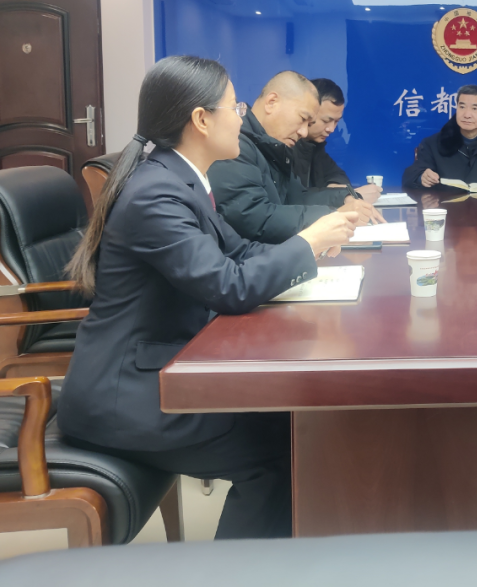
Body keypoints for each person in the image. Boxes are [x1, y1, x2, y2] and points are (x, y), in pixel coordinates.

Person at [58, 56, 359, 538]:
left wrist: (315, 255)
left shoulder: (180, 180)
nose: (242, 116)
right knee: (282, 450)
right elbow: (228, 285)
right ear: (201, 119)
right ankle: (234, 570)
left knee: (294, 425)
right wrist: (307, 242)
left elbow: (239, 252)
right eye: (234, 107)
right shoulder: (157, 194)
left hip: (166, 369)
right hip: (126, 397)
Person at [209, 71, 382, 244]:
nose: (304, 132)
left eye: (309, 124)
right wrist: (334, 215)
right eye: (302, 119)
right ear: (271, 102)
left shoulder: (273, 146)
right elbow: (252, 217)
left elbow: (297, 197)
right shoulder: (235, 144)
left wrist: (343, 198)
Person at [402, 84, 477, 189]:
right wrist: (422, 177)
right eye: (462, 107)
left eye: (474, 108)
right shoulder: (433, 143)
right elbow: (410, 175)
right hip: (446, 206)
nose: (467, 114)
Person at [293, 77, 381, 204]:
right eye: (326, 121)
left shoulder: (315, 147)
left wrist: (336, 187)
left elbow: (337, 174)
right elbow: (293, 197)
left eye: (336, 121)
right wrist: (340, 195)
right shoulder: (286, 145)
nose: (331, 129)